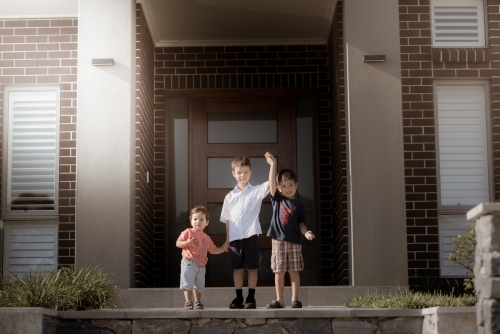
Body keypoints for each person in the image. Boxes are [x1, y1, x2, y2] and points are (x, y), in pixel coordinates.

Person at [264, 152, 315, 309]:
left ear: (296, 185)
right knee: (279, 272)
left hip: (295, 242)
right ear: (279, 188)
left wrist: (306, 233)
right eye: (284, 186)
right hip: (278, 241)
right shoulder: (277, 199)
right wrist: (273, 165)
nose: (288, 189)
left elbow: (301, 224)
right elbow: (271, 182)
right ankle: (280, 300)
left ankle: (295, 299)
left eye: (291, 185)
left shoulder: (299, 205)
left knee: (294, 271)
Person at [221, 156, 270, 309]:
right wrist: (227, 239)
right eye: (239, 172)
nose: (242, 175)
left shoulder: (256, 191)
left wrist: (272, 164)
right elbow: (227, 219)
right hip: (235, 237)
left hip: (251, 236)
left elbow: (271, 183)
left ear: (251, 173)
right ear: (233, 173)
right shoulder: (229, 197)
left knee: (252, 267)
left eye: (246, 172)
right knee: (237, 268)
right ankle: (238, 297)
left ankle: (251, 297)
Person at [176, 205, 226, 309]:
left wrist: (223, 249)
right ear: (191, 221)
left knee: (198, 285)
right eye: (195, 219)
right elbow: (178, 243)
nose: (198, 221)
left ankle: (198, 301)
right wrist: (187, 242)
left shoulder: (207, 238)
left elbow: (213, 250)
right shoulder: (188, 232)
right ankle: (188, 302)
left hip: (201, 265)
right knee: (187, 282)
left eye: (201, 219)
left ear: (207, 222)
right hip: (189, 262)